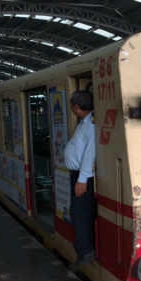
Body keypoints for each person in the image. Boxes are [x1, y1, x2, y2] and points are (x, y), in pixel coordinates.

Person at [64, 90, 96, 270]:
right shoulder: (84, 123)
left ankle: (86, 251)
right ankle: (84, 250)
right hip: (79, 175)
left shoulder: (91, 125)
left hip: (83, 177)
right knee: (78, 212)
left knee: (80, 214)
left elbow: (90, 155)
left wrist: (82, 180)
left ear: (76, 107)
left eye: (72, 106)